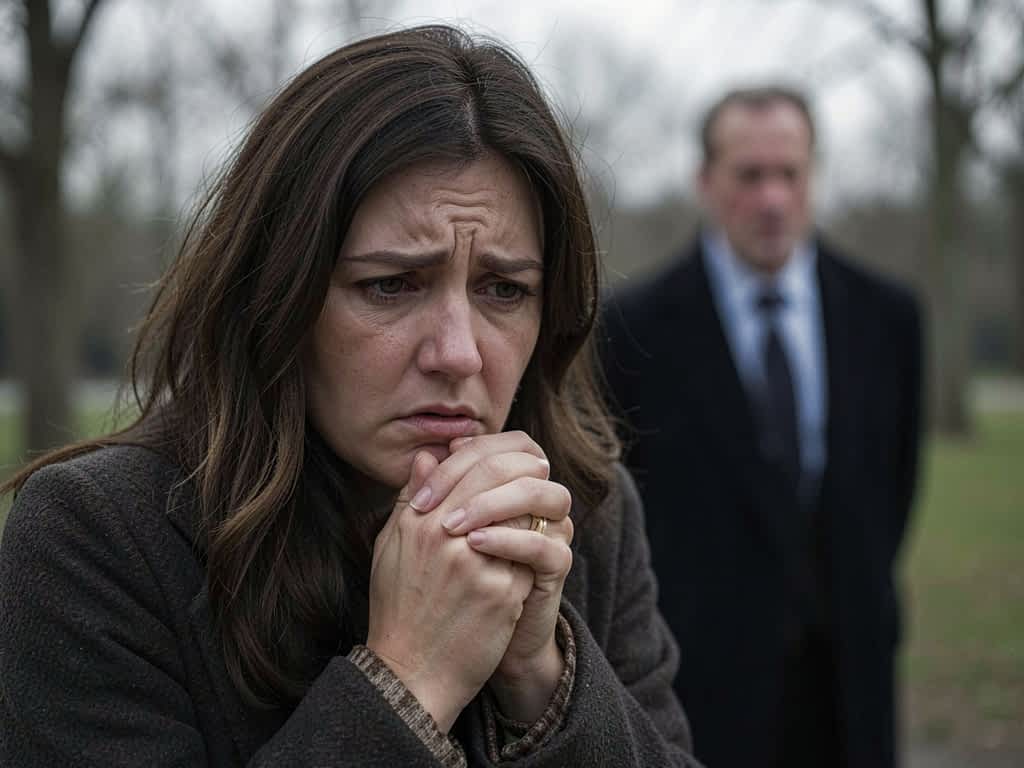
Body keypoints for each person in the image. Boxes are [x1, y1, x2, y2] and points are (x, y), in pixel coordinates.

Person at [0, 25, 700, 768]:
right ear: (277, 298)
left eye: (504, 289)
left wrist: (544, 678)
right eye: (391, 285)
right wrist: (407, 681)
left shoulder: (584, 515)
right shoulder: (101, 538)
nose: (458, 354)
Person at [600, 86, 923, 768]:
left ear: (813, 176)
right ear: (706, 182)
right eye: (750, 176)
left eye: (790, 174)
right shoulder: (631, 331)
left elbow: (894, 486)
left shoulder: (890, 318)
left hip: (852, 682)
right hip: (702, 686)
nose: (772, 198)